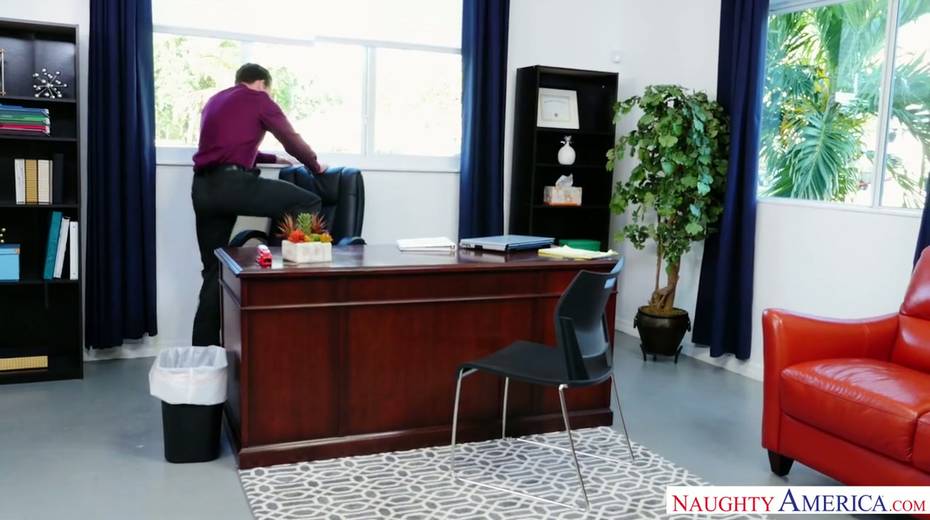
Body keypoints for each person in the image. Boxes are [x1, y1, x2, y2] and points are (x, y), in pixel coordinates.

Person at [190, 63, 328, 346]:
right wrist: (315, 166)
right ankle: (299, 267)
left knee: (214, 271)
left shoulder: (215, 101)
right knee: (308, 201)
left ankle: (204, 354)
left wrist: (272, 159)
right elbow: (289, 138)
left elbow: (228, 146)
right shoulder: (259, 98)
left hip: (203, 189)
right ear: (263, 84)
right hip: (232, 185)